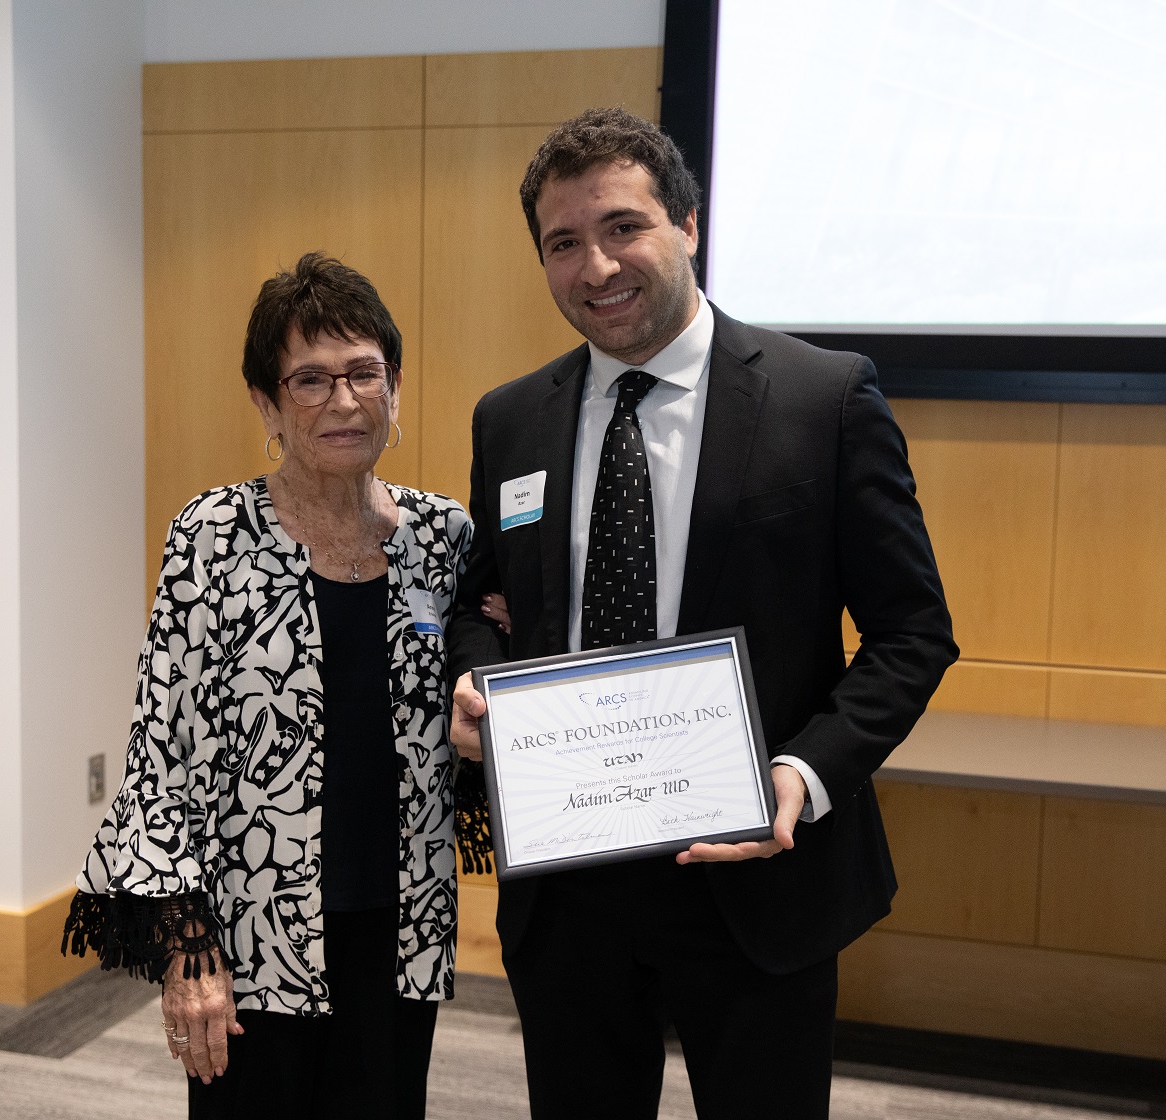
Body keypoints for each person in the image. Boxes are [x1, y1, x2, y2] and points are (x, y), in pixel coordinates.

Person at [445, 108, 959, 1119]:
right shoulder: (510, 419)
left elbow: (913, 633)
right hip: (570, 880)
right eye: (562, 243)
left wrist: (803, 774)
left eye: (622, 227)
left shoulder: (823, 399)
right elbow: (484, 602)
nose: (596, 267)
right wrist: (471, 673)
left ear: (688, 223)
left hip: (755, 870)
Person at [63, 253, 475, 1119]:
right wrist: (187, 951)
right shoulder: (212, 537)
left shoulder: (442, 537)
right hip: (252, 931)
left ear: (396, 386)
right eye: (310, 380)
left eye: (364, 372)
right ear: (266, 403)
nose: (344, 401)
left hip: (400, 928)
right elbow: (161, 757)